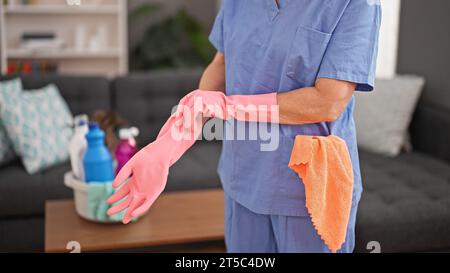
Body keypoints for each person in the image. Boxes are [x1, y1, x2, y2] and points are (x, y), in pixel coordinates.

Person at [198, 0, 381, 253]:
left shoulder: (355, 4)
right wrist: (180, 131)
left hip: (308, 188)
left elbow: (328, 102)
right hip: (242, 174)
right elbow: (222, 63)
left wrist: (229, 107)